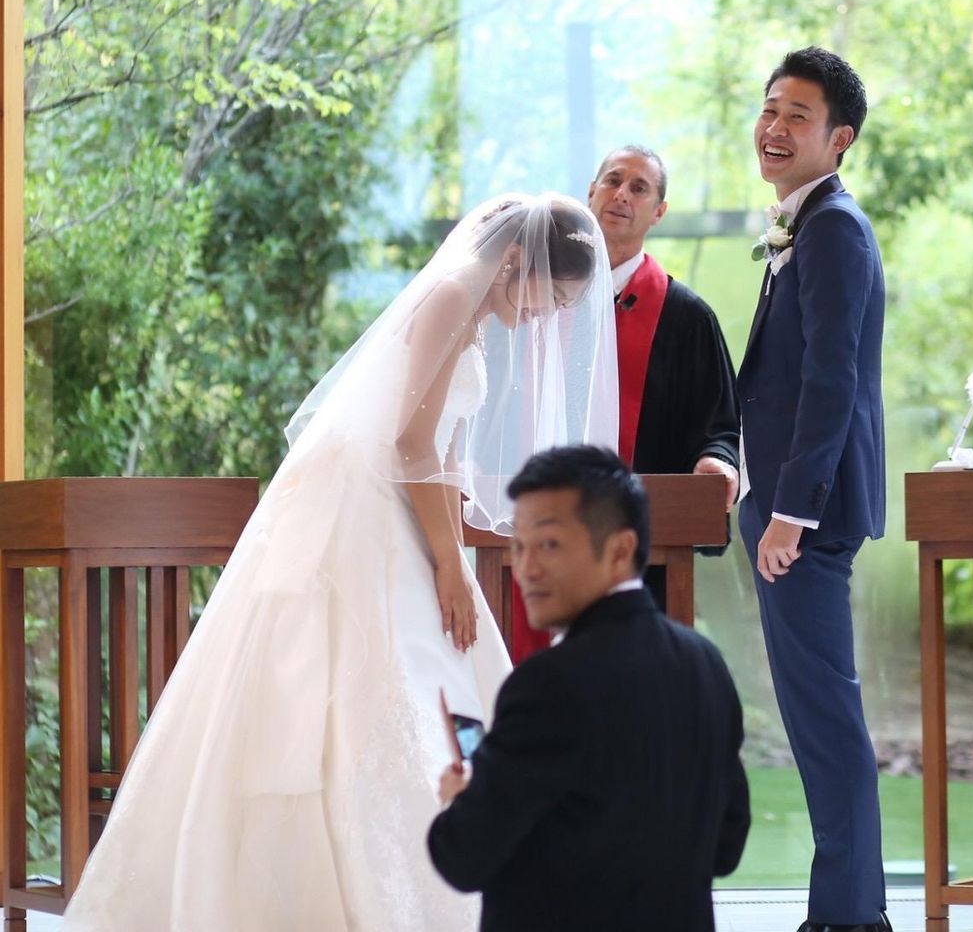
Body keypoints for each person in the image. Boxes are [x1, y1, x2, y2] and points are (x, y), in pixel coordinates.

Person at [62, 195, 619, 932]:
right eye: (554, 296)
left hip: (399, 503)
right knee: (353, 678)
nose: (550, 314)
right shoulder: (453, 294)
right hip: (358, 507)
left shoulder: (478, 315)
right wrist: (448, 564)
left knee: (436, 673)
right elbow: (410, 445)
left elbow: (444, 449)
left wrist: (451, 546)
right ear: (516, 261)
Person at [427, 444, 750, 932]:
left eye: (549, 544)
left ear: (619, 549)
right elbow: (726, 845)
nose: (527, 568)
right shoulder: (705, 664)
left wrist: (463, 799)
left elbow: (463, 856)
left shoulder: (546, 685)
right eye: (519, 546)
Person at [737, 47, 889, 932]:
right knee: (818, 718)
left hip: (809, 513)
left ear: (840, 139)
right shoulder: (805, 223)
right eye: (770, 109)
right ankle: (851, 912)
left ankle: (848, 919)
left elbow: (833, 380)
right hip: (788, 504)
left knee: (827, 724)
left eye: (798, 115)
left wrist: (789, 512)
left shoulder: (833, 227)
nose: (775, 127)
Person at [509, 145, 741, 659]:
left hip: (641, 546)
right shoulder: (532, 300)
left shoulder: (686, 317)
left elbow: (719, 426)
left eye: (640, 188)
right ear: (591, 191)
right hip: (527, 540)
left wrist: (716, 461)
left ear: (659, 211)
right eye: (613, 181)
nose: (622, 195)